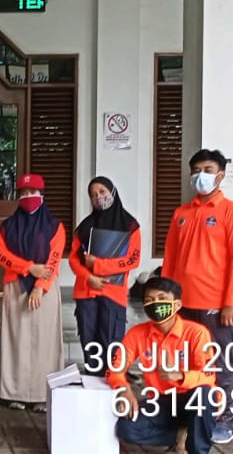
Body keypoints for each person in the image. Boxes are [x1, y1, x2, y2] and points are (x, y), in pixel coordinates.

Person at [163, 149, 233, 440]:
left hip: (216, 305)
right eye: (196, 170)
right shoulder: (181, 214)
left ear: (220, 174)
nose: (200, 175)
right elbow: (169, 259)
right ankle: (191, 415)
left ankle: (224, 417)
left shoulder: (229, 212)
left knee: (220, 362)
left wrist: (229, 302)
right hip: (182, 305)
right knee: (187, 361)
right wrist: (166, 300)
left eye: (207, 169)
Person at [107, 277, 219, 454]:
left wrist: (181, 375)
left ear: (178, 305)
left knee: (204, 393)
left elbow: (208, 376)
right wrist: (124, 389)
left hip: (194, 399)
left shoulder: (196, 333)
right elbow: (116, 368)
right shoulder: (137, 334)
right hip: (162, 402)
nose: (156, 304)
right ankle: (181, 434)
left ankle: (197, 449)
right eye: (150, 300)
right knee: (126, 428)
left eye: (162, 299)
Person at [0, 174, 65, 413]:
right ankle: (15, 392)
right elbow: (1, 255)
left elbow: (54, 259)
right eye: (23, 193)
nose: (28, 197)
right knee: (17, 341)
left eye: (33, 192)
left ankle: (42, 394)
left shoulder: (55, 226)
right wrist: (28, 268)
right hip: (15, 286)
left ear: (42, 195)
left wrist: (39, 286)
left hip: (44, 288)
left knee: (45, 341)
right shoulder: (7, 226)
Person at [69, 176, 141, 377]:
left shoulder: (130, 226)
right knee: (88, 337)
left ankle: (113, 379)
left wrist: (98, 266)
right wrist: (88, 277)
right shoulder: (84, 227)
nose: (98, 197)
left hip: (113, 292)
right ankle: (93, 377)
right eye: (93, 195)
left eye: (102, 191)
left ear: (112, 191)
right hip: (86, 291)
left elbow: (132, 260)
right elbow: (74, 260)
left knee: (111, 338)